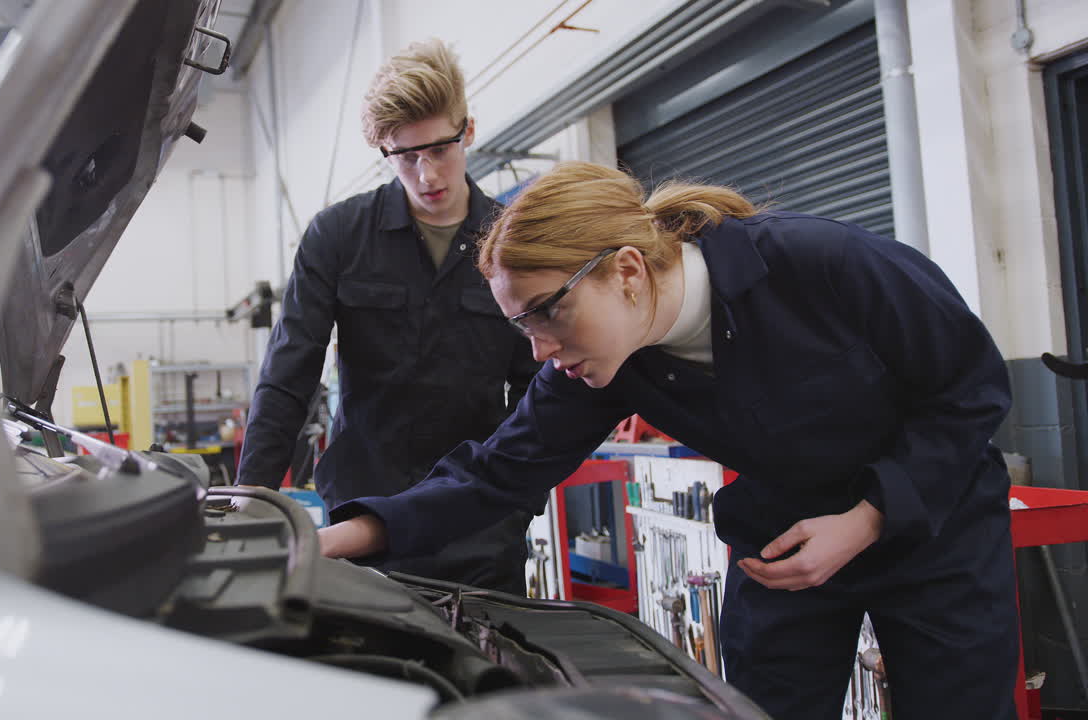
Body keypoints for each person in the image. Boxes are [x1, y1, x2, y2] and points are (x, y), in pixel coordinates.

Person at [320, 161, 1018, 719]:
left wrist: (867, 519)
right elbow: (494, 474)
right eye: (521, 328)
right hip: (782, 543)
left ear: (626, 270)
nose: (538, 351)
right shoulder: (605, 367)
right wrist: (320, 542)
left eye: (544, 315)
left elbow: (972, 390)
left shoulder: (827, 263)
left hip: (934, 529)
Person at [237, 39, 540, 595]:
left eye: (440, 149)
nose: (427, 174)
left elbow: (535, 387)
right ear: (383, 150)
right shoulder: (337, 237)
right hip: (362, 516)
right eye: (405, 157)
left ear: (467, 130)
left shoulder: (514, 241)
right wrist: (249, 499)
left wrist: (517, 503)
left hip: (479, 520)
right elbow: (289, 371)